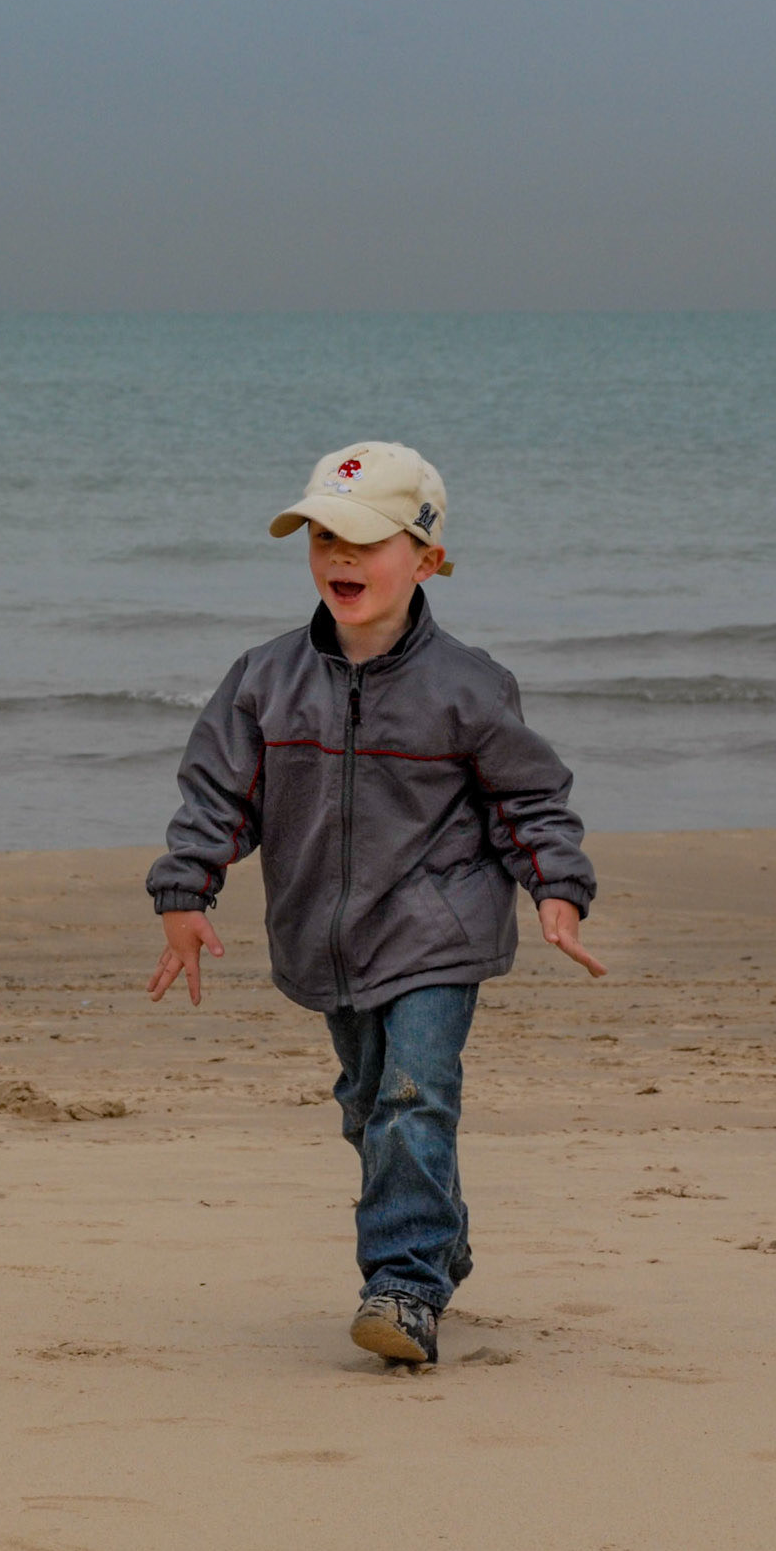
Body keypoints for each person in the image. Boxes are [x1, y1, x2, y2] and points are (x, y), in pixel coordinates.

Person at [145, 440, 604, 1366]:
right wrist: (185, 890)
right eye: (321, 534)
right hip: (329, 936)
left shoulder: (467, 684)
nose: (338, 556)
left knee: (413, 1094)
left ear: (427, 557)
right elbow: (215, 796)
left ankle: (401, 1286)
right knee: (367, 1106)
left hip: (441, 930)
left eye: (362, 537)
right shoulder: (265, 679)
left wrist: (557, 887)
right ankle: (441, 1239)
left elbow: (527, 798)